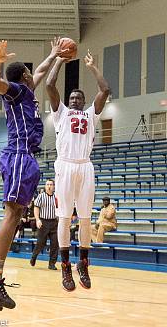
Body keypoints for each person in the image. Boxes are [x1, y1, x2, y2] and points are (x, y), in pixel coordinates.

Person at [0, 38, 65, 311]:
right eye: (29, 72)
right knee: (12, 214)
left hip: (27, 158)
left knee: (16, 216)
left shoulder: (27, 91)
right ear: (23, 76)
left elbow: (40, 71)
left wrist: (54, 55)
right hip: (18, 155)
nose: (32, 74)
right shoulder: (15, 91)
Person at [46, 50, 110, 292]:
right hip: (65, 165)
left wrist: (93, 67)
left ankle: (83, 263)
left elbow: (105, 91)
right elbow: (51, 84)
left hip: (85, 166)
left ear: (83, 102)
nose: (74, 100)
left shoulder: (90, 114)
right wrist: (60, 60)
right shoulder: (60, 112)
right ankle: (65, 266)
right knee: (64, 217)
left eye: (78, 98)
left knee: (85, 218)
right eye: (71, 98)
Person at [30, 179, 58, 270]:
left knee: (55, 244)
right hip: (43, 222)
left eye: (51, 184)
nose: (49, 186)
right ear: (45, 186)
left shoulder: (57, 197)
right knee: (41, 243)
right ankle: (34, 256)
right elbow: (36, 208)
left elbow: (60, 209)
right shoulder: (41, 196)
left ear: (54, 186)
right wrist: (38, 219)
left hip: (54, 222)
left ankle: (52, 263)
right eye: (47, 184)